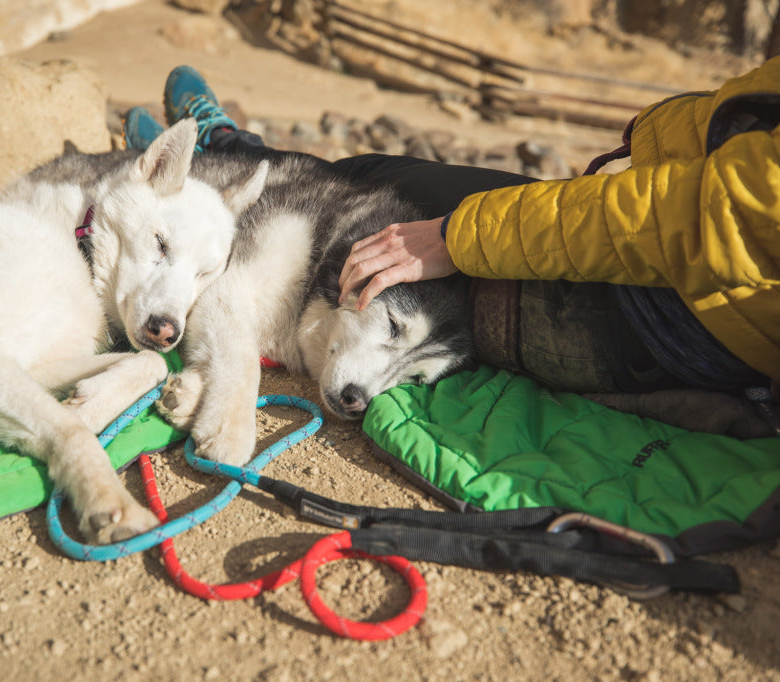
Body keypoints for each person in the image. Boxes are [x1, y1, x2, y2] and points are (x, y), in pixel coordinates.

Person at [124, 63, 780, 429]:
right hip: (692, 278)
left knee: (377, 181)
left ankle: (224, 150)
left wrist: (459, 235)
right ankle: (219, 153)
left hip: (671, 307)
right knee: (387, 191)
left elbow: (710, 216)